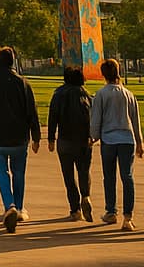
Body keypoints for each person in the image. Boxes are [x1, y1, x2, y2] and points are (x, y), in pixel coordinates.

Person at [0, 46, 41, 233]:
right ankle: (19, 208)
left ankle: (9, 205)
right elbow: (32, 112)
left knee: (2, 172)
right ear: (13, 61)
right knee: (18, 172)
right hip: (19, 137)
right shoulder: (23, 83)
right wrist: (36, 137)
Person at [90, 57, 143, 231]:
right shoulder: (128, 94)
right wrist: (139, 142)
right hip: (127, 139)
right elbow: (135, 120)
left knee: (109, 176)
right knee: (127, 177)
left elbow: (96, 118)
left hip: (109, 139)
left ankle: (111, 211)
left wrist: (93, 136)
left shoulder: (101, 94)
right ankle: (128, 217)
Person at [47, 66, 95, 222]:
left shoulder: (59, 94)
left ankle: (75, 209)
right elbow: (93, 118)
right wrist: (92, 136)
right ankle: (86, 195)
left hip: (65, 140)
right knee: (84, 171)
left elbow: (53, 117)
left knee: (68, 175)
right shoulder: (87, 95)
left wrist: (51, 138)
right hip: (83, 140)